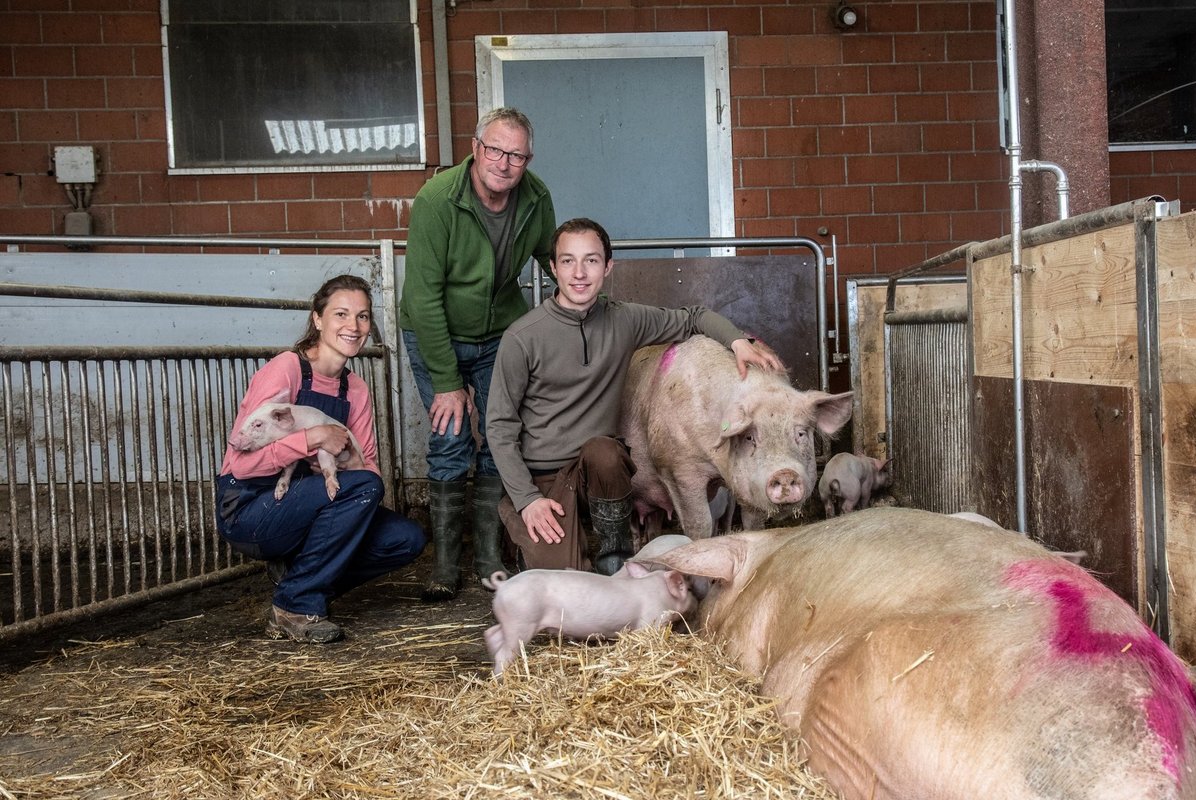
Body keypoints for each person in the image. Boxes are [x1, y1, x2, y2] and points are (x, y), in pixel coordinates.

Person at [486, 218, 784, 574]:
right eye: (568, 261)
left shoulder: (623, 320)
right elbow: (500, 425)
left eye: (591, 260)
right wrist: (527, 498)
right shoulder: (522, 337)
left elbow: (694, 317)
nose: (579, 273)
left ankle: (616, 553)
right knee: (565, 592)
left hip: (596, 471)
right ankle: (519, 522)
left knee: (606, 451)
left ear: (608, 266)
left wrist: (737, 342)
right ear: (552, 267)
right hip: (544, 479)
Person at [215, 275, 426, 644]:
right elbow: (242, 465)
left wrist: (345, 464)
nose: (353, 326)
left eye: (362, 317)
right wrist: (311, 439)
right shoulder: (287, 369)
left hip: (315, 500)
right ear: (317, 319)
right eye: (341, 314)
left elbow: (369, 465)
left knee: (405, 538)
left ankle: (299, 578)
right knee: (362, 488)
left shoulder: (355, 388)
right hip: (251, 506)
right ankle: (295, 604)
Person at [399, 106, 556, 602]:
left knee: (498, 437)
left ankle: (487, 555)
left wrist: (584, 298)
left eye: (516, 154)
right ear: (475, 148)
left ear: (527, 160)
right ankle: (446, 564)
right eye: (495, 149)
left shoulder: (536, 198)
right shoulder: (436, 201)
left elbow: (555, 260)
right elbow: (423, 299)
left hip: (499, 337)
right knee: (449, 439)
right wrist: (447, 381)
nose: (504, 162)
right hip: (435, 331)